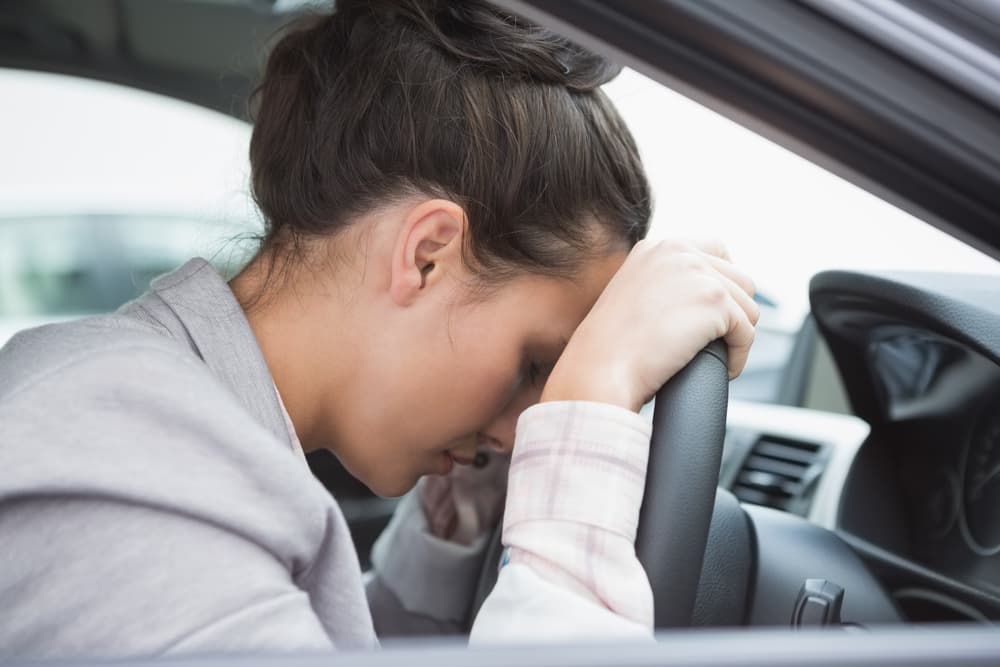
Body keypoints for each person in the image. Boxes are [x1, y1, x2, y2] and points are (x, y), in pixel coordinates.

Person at [0, 0, 757, 658]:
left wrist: (461, 527)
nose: (525, 429)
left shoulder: (169, 435)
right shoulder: (122, 460)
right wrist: (593, 407)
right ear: (426, 256)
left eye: (553, 380)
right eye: (537, 364)